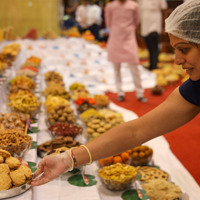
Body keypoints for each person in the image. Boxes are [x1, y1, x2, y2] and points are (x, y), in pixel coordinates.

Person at [31, 0, 200, 186]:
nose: (177, 60)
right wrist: (68, 158)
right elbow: (135, 131)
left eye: (184, 49)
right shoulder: (195, 87)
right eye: (175, 50)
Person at [105, 0, 147, 102]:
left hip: (129, 39)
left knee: (134, 67)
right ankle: (120, 92)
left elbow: (137, 21)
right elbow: (108, 24)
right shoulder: (110, 6)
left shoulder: (134, 6)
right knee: (116, 69)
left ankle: (140, 93)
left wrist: (128, 30)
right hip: (115, 39)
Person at [137, 0, 168, 70]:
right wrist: (138, 27)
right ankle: (151, 66)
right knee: (149, 48)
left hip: (155, 26)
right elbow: (139, 12)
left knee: (154, 47)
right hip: (145, 26)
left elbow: (164, 10)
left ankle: (154, 67)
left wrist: (164, 25)